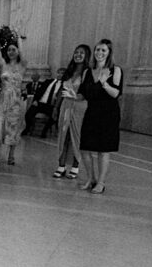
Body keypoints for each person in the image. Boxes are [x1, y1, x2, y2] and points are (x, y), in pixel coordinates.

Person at [78, 39, 123, 194]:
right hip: (92, 112)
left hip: (108, 114)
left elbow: (116, 93)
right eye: (97, 50)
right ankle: (91, 178)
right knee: (85, 148)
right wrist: (72, 95)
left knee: (103, 150)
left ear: (109, 53)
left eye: (103, 50)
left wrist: (105, 84)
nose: (100, 53)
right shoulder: (87, 72)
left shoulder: (115, 70)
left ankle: (101, 182)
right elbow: (83, 94)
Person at [43, 44, 91, 179]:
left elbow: (87, 93)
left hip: (79, 106)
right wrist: (56, 107)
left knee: (76, 137)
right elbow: (60, 92)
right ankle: (61, 165)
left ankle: (75, 166)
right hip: (65, 106)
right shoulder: (69, 71)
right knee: (63, 136)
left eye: (81, 53)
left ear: (86, 55)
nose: (78, 55)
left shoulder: (87, 73)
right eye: (76, 53)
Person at [0, 34, 31, 168]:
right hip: (3, 99)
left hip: (15, 101)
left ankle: (11, 155)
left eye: (13, 49)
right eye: (9, 50)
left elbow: (23, 53)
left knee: (13, 128)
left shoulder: (22, 65)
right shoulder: (3, 65)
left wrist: (19, 39)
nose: (11, 52)